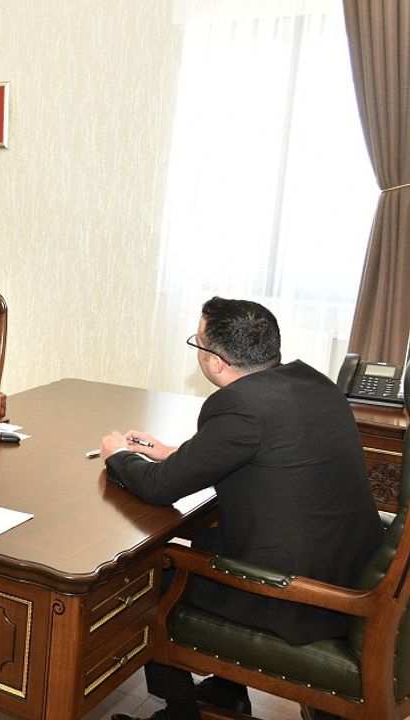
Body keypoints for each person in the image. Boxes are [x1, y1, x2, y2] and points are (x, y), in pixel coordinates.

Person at [102, 297, 383, 720]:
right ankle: (225, 691)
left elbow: (160, 488)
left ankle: (180, 712)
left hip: (294, 596)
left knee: (153, 572)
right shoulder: (315, 383)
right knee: (210, 537)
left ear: (216, 361)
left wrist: (118, 455)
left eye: (197, 343)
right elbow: (270, 448)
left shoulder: (239, 405)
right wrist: (174, 453)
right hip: (347, 571)